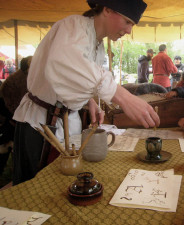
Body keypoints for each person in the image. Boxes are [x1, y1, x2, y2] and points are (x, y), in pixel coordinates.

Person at [12, 0, 160, 185]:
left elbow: (72, 81)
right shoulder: (73, 25)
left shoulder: (98, 45)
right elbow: (64, 64)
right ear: (107, 9)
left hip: (66, 126)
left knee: (59, 187)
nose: (129, 30)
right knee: (31, 191)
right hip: (40, 125)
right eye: (127, 21)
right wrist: (122, 96)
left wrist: (89, 101)